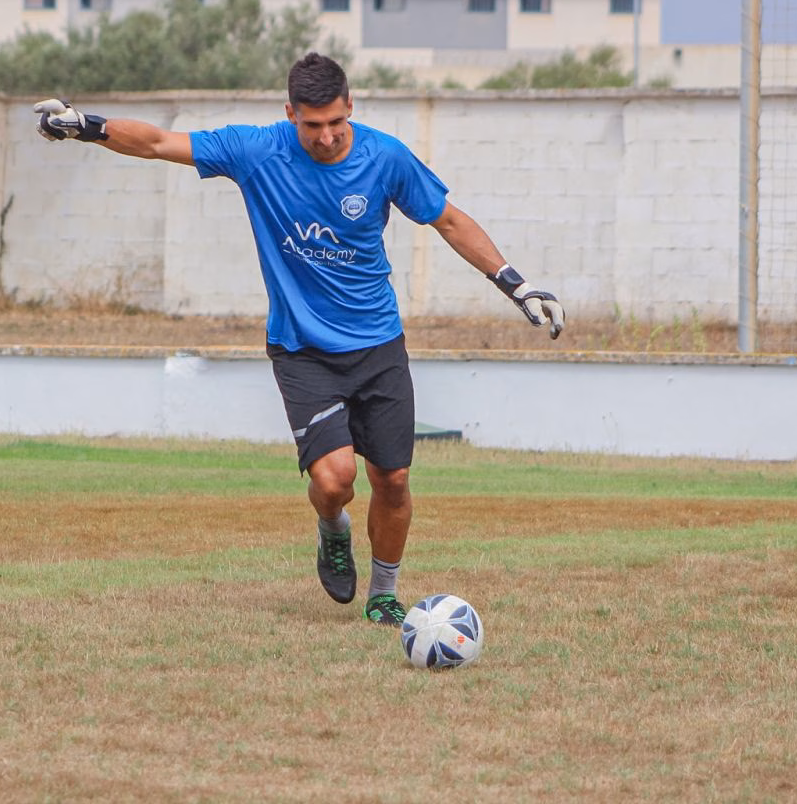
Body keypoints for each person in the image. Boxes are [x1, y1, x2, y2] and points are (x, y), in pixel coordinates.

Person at [34, 52, 563, 625]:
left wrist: (516, 284)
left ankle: (384, 596)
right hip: (302, 349)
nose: (328, 136)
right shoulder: (257, 150)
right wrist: (86, 126)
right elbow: (161, 142)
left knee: (394, 479)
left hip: (379, 345)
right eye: (312, 125)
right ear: (291, 114)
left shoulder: (385, 157)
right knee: (335, 481)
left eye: (337, 122)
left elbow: (450, 221)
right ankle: (331, 530)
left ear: (351, 108)